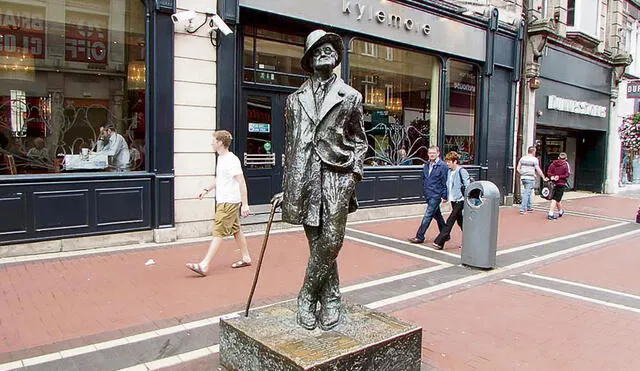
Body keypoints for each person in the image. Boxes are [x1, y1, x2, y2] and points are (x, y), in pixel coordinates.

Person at [271, 30, 367, 331]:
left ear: (336, 57)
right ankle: (331, 300)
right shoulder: (294, 100)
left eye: (330, 48)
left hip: (338, 175)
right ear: (310, 59)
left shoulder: (351, 96)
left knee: (333, 240)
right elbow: (291, 145)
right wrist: (288, 188)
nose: (325, 52)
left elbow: (361, 142)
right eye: (318, 49)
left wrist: (354, 175)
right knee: (317, 243)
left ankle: (306, 296)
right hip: (305, 178)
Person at [186, 130, 252, 276]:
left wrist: (245, 204)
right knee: (236, 230)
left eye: (213, 140)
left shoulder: (231, 160)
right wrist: (206, 189)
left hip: (228, 202)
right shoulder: (222, 158)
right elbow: (221, 179)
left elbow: (241, 181)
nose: (211, 143)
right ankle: (246, 257)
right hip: (226, 200)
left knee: (218, 232)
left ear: (220, 142)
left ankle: (204, 265)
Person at [408, 146, 448, 244]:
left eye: (433, 153)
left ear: (438, 153)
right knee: (438, 215)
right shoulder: (426, 165)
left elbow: (445, 181)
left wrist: (444, 195)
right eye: (430, 153)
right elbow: (425, 179)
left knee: (428, 215)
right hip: (428, 194)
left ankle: (420, 236)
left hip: (436, 195)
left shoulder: (443, 166)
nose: (431, 154)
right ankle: (445, 234)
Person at [431, 151, 470, 250]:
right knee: (460, 221)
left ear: (455, 161)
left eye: (449, 161)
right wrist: (445, 197)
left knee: (450, 220)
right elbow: (447, 186)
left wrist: (466, 198)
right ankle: (470, 240)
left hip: (460, 200)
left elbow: (467, 186)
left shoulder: (462, 171)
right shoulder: (449, 172)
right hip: (453, 200)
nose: (447, 163)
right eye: (447, 161)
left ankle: (439, 242)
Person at [517, 146, 548, 214]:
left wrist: (523, 173)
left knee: (529, 192)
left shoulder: (522, 158)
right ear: (533, 151)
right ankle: (523, 209)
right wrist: (543, 177)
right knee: (527, 193)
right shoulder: (534, 159)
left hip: (523, 178)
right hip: (530, 178)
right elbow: (538, 170)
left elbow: (518, 168)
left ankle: (529, 207)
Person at [547, 152, 570, 220]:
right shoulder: (566, 164)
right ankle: (550, 213)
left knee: (557, 198)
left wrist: (552, 176)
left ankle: (560, 211)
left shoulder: (553, 164)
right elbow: (567, 174)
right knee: (555, 199)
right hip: (561, 183)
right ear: (566, 158)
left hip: (553, 183)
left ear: (558, 158)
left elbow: (549, 172)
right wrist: (559, 177)